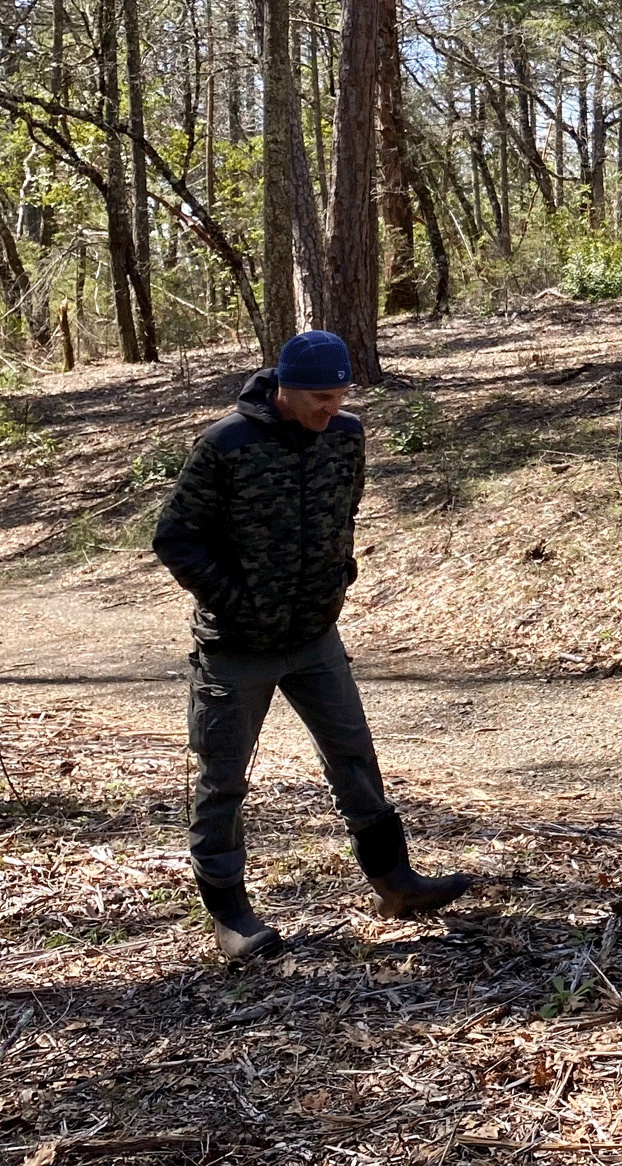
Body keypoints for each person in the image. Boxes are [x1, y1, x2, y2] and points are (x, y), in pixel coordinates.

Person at [154, 329, 470, 961]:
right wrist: (239, 604)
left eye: (340, 395)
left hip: (315, 637)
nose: (333, 408)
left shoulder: (347, 436)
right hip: (236, 648)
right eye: (322, 397)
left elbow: (342, 514)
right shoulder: (226, 445)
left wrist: (335, 579)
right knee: (222, 780)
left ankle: (394, 882)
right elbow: (176, 538)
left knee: (354, 756)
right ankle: (230, 916)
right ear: (286, 390)